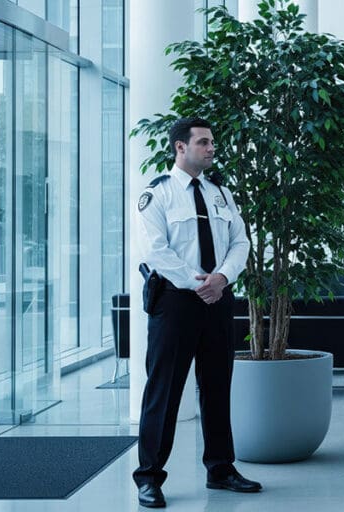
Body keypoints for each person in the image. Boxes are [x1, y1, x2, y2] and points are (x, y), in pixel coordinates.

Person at [134, 117, 260, 508]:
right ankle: (149, 477)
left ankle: (221, 469)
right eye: (203, 142)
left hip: (218, 299)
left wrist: (221, 277)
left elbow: (240, 241)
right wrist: (198, 282)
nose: (211, 148)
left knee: (218, 386)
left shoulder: (220, 192)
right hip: (175, 302)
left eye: (211, 142)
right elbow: (155, 251)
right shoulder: (158, 194)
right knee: (164, 390)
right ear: (180, 147)